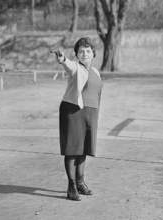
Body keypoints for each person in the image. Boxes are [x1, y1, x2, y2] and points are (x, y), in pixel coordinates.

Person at [54, 37, 103, 201]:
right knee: (72, 148)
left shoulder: (96, 72)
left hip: (90, 112)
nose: (85, 54)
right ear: (77, 54)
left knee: (84, 148)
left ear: (93, 53)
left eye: (88, 51)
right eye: (81, 51)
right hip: (73, 110)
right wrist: (63, 59)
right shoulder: (76, 67)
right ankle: (72, 185)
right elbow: (68, 65)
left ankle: (81, 182)